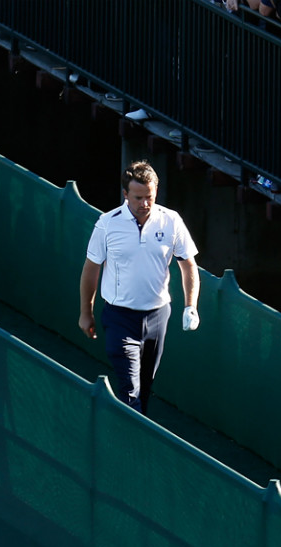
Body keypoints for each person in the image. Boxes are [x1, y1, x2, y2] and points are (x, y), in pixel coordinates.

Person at [78, 161, 200, 414]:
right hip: (119, 317)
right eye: (138, 198)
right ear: (125, 195)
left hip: (158, 316)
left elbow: (189, 266)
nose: (145, 203)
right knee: (130, 390)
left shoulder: (171, 221)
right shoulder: (107, 223)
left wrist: (191, 306)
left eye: (150, 197)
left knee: (145, 388)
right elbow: (91, 269)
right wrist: (86, 313)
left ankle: (134, 432)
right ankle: (130, 444)